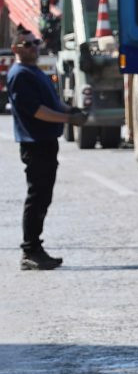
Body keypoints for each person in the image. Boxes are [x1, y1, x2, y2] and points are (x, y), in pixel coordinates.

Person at [8, 31, 86, 270]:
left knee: (43, 197)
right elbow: (37, 111)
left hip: (45, 141)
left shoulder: (34, 71)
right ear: (16, 49)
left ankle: (35, 249)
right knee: (37, 197)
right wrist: (67, 119)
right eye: (27, 44)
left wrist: (69, 110)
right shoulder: (20, 75)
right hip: (35, 143)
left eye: (36, 42)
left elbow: (51, 102)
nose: (34, 47)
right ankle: (30, 250)